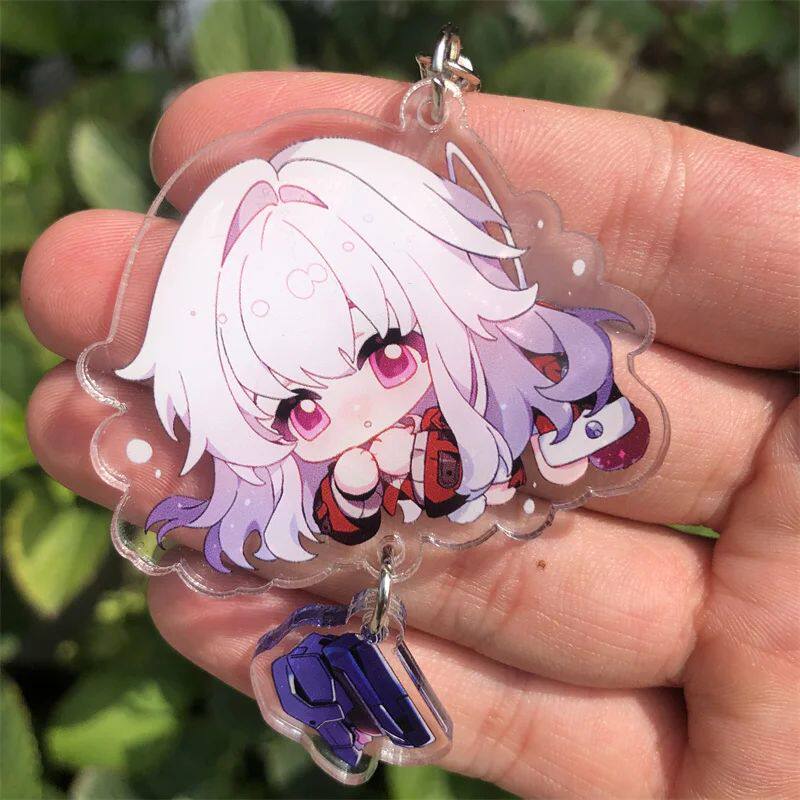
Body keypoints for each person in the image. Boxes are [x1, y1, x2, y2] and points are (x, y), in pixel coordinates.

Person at [22, 72, 799, 797]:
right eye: (299, 410)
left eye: (388, 352)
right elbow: (328, 516)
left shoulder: (483, 403)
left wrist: (551, 439)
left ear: (450, 301)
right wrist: (354, 491)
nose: (356, 406)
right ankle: (347, 695)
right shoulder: (334, 488)